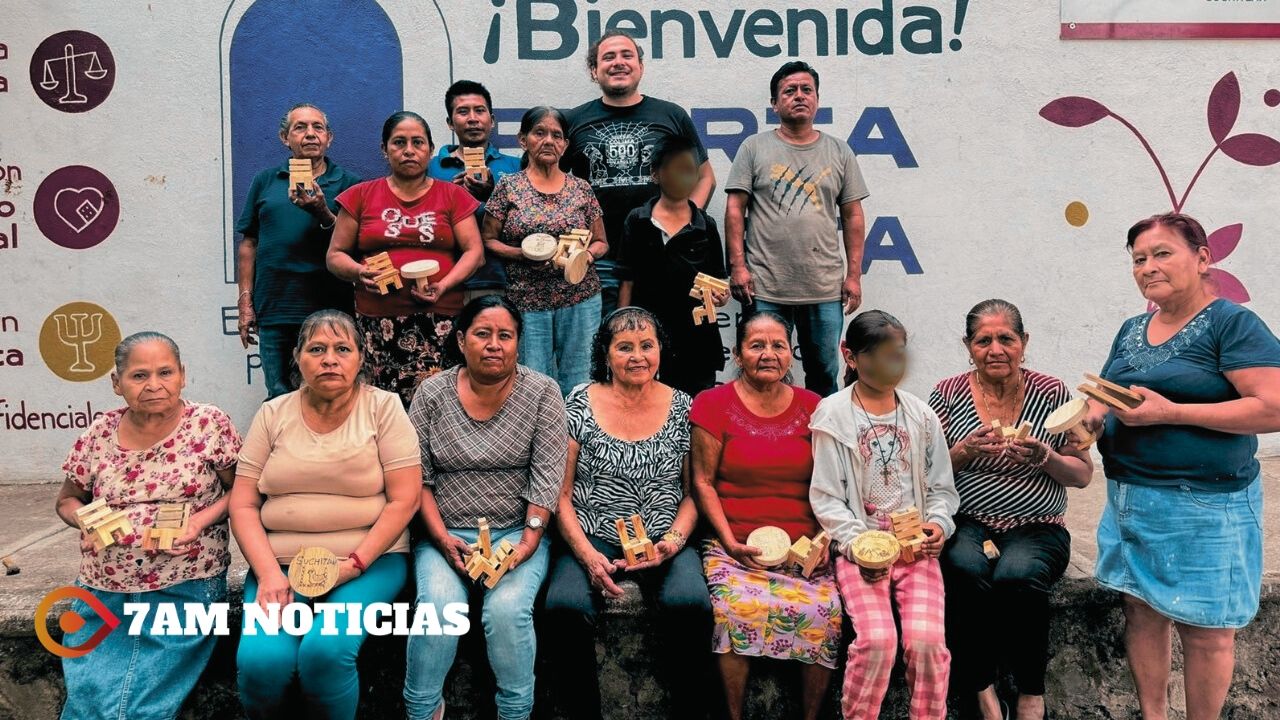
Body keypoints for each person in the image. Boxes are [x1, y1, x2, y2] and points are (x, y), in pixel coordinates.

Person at [1081, 213, 1280, 720]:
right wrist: (1090, 423)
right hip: (1130, 500)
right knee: (1141, 612)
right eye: (1139, 259)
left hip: (1205, 506)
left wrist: (1169, 412)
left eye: (1162, 253)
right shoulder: (1131, 329)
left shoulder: (1230, 323)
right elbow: (1108, 398)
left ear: (1203, 258)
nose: (1148, 267)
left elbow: (1273, 407)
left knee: (1207, 630)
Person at [230, 309, 421, 719]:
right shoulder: (273, 413)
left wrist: (354, 564)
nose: (329, 359)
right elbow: (243, 503)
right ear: (297, 358)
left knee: (325, 650)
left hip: (370, 563)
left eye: (341, 349)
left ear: (360, 359)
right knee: (263, 662)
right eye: (316, 349)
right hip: (281, 565)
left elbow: (404, 500)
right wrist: (268, 575)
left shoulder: (383, 408)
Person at [55, 332, 241, 720]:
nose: (154, 385)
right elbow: (68, 500)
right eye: (139, 376)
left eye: (165, 372)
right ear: (116, 383)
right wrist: (88, 521)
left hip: (184, 584)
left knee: (137, 704)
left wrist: (197, 522)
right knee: (88, 698)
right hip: (104, 587)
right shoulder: (98, 433)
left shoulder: (209, 424)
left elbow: (241, 492)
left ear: (183, 376)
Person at [403, 296, 568, 720]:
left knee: (507, 610)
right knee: (440, 610)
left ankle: (515, 714)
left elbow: (547, 475)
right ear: (461, 340)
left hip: (517, 531)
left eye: (505, 335)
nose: (494, 344)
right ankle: (422, 712)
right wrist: (440, 539)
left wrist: (529, 541)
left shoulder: (543, 392)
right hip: (446, 532)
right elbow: (417, 478)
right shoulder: (431, 393)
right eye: (482, 333)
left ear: (518, 343)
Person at [543, 308, 712, 720]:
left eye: (646, 346)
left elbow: (692, 494)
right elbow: (561, 494)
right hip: (593, 532)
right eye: (624, 347)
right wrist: (586, 555)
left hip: (661, 534)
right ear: (606, 353)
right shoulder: (579, 402)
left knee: (690, 603)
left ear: (660, 351)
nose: (637, 356)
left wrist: (671, 545)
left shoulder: (682, 406)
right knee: (563, 606)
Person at [929, 299, 1094, 720]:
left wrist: (1046, 457)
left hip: (1038, 525)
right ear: (968, 346)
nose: (995, 349)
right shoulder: (946, 395)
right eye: (983, 340)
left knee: (1017, 576)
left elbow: (1081, 474)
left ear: (1025, 342)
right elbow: (925, 473)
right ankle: (982, 688)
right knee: (963, 570)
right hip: (968, 521)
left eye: (1006, 338)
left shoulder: (1053, 392)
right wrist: (962, 452)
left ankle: (1030, 693)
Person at [689, 311, 841, 720]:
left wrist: (824, 542)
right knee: (735, 609)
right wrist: (728, 542)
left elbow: (834, 485)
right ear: (738, 354)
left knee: (823, 612)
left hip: (803, 550)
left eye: (778, 346)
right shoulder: (712, 404)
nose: (768, 354)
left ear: (790, 355)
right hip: (736, 545)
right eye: (757, 345)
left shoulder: (816, 407)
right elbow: (703, 482)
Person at [809, 310, 959, 720]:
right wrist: (859, 546)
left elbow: (942, 488)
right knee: (876, 642)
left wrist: (937, 525)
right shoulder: (833, 415)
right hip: (861, 550)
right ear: (851, 356)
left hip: (916, 553)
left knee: (927, 642)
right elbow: (826, 498)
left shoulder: (921, 416)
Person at [725, 61, 869, 397]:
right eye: (789, 91)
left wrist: (854, 276)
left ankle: (822, 445)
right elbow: (735, 210)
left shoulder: (839, 151)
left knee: (824, 373)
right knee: (762, 373)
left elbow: (853, 216)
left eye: (807, 90)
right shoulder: (754, 148)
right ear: (775, 104)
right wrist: (738, 267)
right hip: (765, 287)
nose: (799, 96)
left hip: (823, 288)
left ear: (817, 99)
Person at [326, 111, 485, 407]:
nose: (409, 150)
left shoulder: (453, 196)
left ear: (430, 149)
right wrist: (360, 273)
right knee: (385, 407)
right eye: (399, 143)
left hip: (441, 319)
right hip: (379, 323)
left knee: (441, 405)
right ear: (384, 150)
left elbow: (474, 253)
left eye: (417, 142)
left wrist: (445, 284)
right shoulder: (359, 196)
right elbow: (335, 256)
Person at [563, 29, 716, 318]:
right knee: (602, 352)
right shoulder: (573, 121)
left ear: (641, 67)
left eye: (626, 55)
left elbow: (705, 177)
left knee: (662, 349)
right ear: (594, 71)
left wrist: (685, 221)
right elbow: (548, 184)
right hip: (597, 260)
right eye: (608, 57)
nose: (618, 62)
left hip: (660, 255)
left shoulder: (671, 115)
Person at [236, 102, 361, 398]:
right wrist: (245, 302)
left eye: (318, 127)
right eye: (300, 127)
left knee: (333, 394)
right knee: (279, 396)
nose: (310, 134)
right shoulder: (265, 181)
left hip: (331, 307)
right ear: (285, 138)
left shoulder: (350, 185)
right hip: (276, 307)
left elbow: (354, 246)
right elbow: (249, 244)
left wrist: (321, 211)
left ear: (329, 138)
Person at [482, 106, 608, 396]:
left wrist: (584, 258)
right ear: (523, 140)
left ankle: (575, 440)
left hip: (579, 297)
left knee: (581, 379)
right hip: (527, 299)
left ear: (565, 145)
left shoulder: (581, 189)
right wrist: (521, 255)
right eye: (539, 133)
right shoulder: (508, 187)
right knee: (532, 382)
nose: (549, 141)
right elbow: (488, 239)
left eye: (557, 135)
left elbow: (601, 242)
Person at [617, 135, 729, 397]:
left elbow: (720, 283)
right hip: (648, 334)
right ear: (655, 174)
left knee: (696, 406)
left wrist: (722, 296)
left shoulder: (705, 225)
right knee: (646, 402)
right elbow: (626, 280)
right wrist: (622, 326)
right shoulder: (637, 220)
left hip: (697, 337)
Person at [428, 80, 522, 304]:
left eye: (480, 111)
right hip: (445, 283)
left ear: (492, 120)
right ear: (450, 123)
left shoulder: (516, 167)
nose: (472, 118)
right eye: (462, 112)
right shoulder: (431, 167)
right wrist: (452, 200)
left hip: (504, 281)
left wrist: (492, 197)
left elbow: (527, 224)